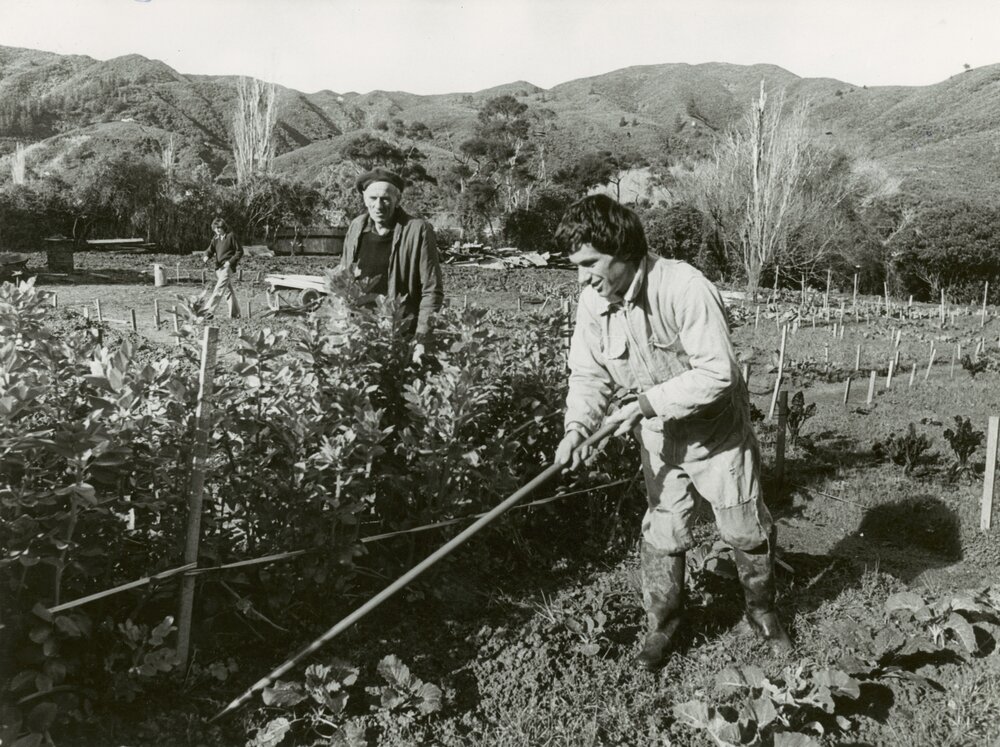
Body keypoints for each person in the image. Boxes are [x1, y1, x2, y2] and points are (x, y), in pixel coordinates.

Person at [553, 194, 792, 671]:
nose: (582, 277)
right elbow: (588, 374)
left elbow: (718, 373)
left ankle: (763, 612)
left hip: (716, 433)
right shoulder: (592, 302)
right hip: (660, 439)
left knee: (742, 527)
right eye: (576, 266)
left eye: (589, 263)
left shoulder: (684, 286)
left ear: (622, 251)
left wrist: (643, 404)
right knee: (664, 529)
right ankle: (663, 625)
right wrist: (577, 426)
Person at [339, 167, 444, 351]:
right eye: (373, 198)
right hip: (359, 332)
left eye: (385, 199)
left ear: (398, 200)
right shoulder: (356, 227)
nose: (378, 206)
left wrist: (421, 338)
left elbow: (431, 289)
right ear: (364, 198)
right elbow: (343, 277)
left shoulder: (417, 230)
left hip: (401, 332)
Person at [202, 217, 243, 318]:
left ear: (223, 227)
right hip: (218, 268)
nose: (217, 230)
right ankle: (236, 314)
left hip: (227, 267)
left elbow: (239, 251)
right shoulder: (215, 238)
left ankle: (208, 312)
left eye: (219, 228)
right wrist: (206, 256)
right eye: (215, 228)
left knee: (219, 288)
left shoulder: (231, 236)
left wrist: (230, 262)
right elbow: (210, 250)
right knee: (228, 291)